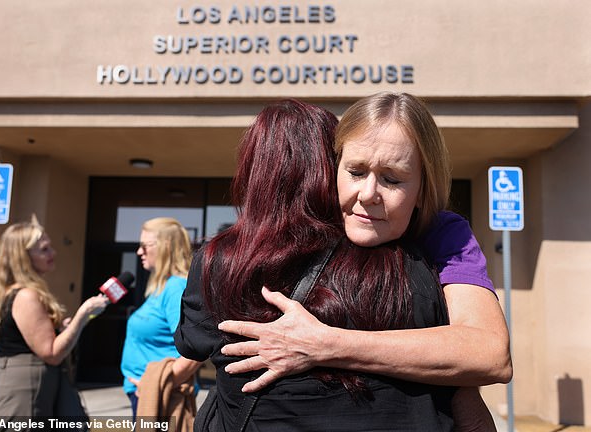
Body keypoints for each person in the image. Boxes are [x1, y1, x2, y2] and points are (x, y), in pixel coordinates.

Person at [175, 97, 505, 431]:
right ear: (330, 168)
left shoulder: (439, 239)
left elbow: (489, 355)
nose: (368, 194)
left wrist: (324, 343)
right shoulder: (247, 259)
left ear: (423, 188)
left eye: (393, 179)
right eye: (356, 172)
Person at [0, 215, 110, 429]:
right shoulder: (26, 296)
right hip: (26, 391)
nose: (53, 253)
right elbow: (51, 354)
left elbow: (2, 344)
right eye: (44, 249)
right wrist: (83, 315)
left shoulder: (9, 293)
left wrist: (61, 330)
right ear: (23, 257)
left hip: (21, 385)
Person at [120, 217, 200, 420]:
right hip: (147, 393)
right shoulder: (162, 287)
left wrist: (158, 384)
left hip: (158, 396)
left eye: (144, 246)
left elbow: (195, 350)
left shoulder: (175, 289)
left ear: (166, 247)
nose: (139, 252)